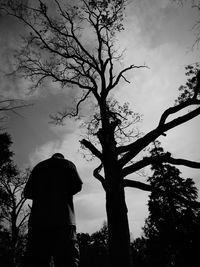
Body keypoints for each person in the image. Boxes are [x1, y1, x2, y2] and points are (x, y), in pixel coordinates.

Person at [23, 153, 83, 267]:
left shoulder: (39, 167)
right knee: (67, 260)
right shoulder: (68, 164)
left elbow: (27, 193)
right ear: (61, 157)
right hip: (64, 220)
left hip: (38, 222)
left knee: (36, 260)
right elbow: (78, 186)